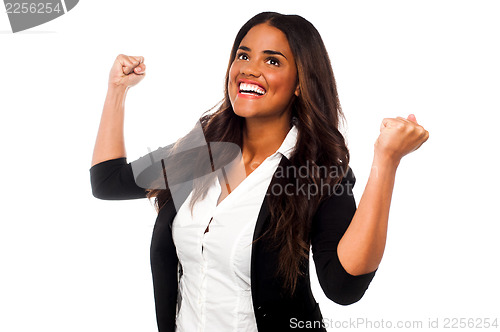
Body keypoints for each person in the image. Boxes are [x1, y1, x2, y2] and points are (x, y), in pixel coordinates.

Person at [90, 12, 429, 332]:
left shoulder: (317, 171)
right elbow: (107, 182)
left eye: (272, 61)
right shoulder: (200, 152)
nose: (249, 70)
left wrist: (386, 161)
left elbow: (344, 287)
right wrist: (117, 90)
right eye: (243, 55)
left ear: (299, 83)